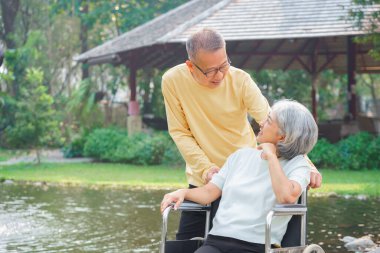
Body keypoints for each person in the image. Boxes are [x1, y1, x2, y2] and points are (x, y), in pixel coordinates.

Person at [161, 28, 322, 240]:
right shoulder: (173, 81)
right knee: (185, 243)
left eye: (224, 65)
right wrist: (206, 169)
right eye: (210, 71)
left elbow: (271, 121)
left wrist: (307, 164)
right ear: (191, 66)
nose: (220, 75)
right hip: (205, 177)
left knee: (236, 239)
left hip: (246, 176)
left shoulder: (241, 80)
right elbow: (180, 133)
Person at [161, 99, 318, 253]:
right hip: (216, 242)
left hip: (256, 246)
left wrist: (271, 156)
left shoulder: (298, 165)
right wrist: (183, 192)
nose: (262, 123)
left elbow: (286, 196)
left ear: (282, 136)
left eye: (269, 121)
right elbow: (209, 193)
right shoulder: (240, 156)